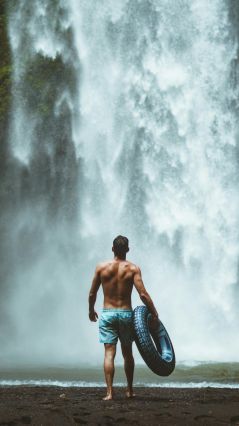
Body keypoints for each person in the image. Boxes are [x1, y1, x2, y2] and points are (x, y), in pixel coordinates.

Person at [88, 235, 158, 400]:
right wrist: (154, 312)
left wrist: (91, 310)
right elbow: (143, 294)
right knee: (128, 353)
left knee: (109, 354)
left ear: (112, 249)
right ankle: (130, 390)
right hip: (126, 314)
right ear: (127, 249)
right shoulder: (133, 269)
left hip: (108, 313)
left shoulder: (101, 267)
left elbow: (92, 293)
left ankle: (109, 393)